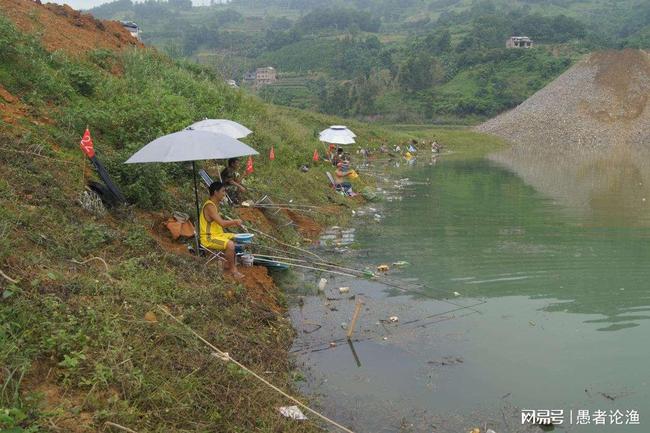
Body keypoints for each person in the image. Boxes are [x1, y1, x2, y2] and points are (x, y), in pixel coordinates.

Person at [200, 181, 244, 279]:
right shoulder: (210, 206)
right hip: (208, 237)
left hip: (217, 235)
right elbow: (222, 223)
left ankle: (228, 262)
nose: (225, 194)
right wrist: (235, 221)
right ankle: (233, 270)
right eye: (223, 191)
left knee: (236, 237)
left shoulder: (215, 204)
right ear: (216, 192)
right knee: (230, 244)